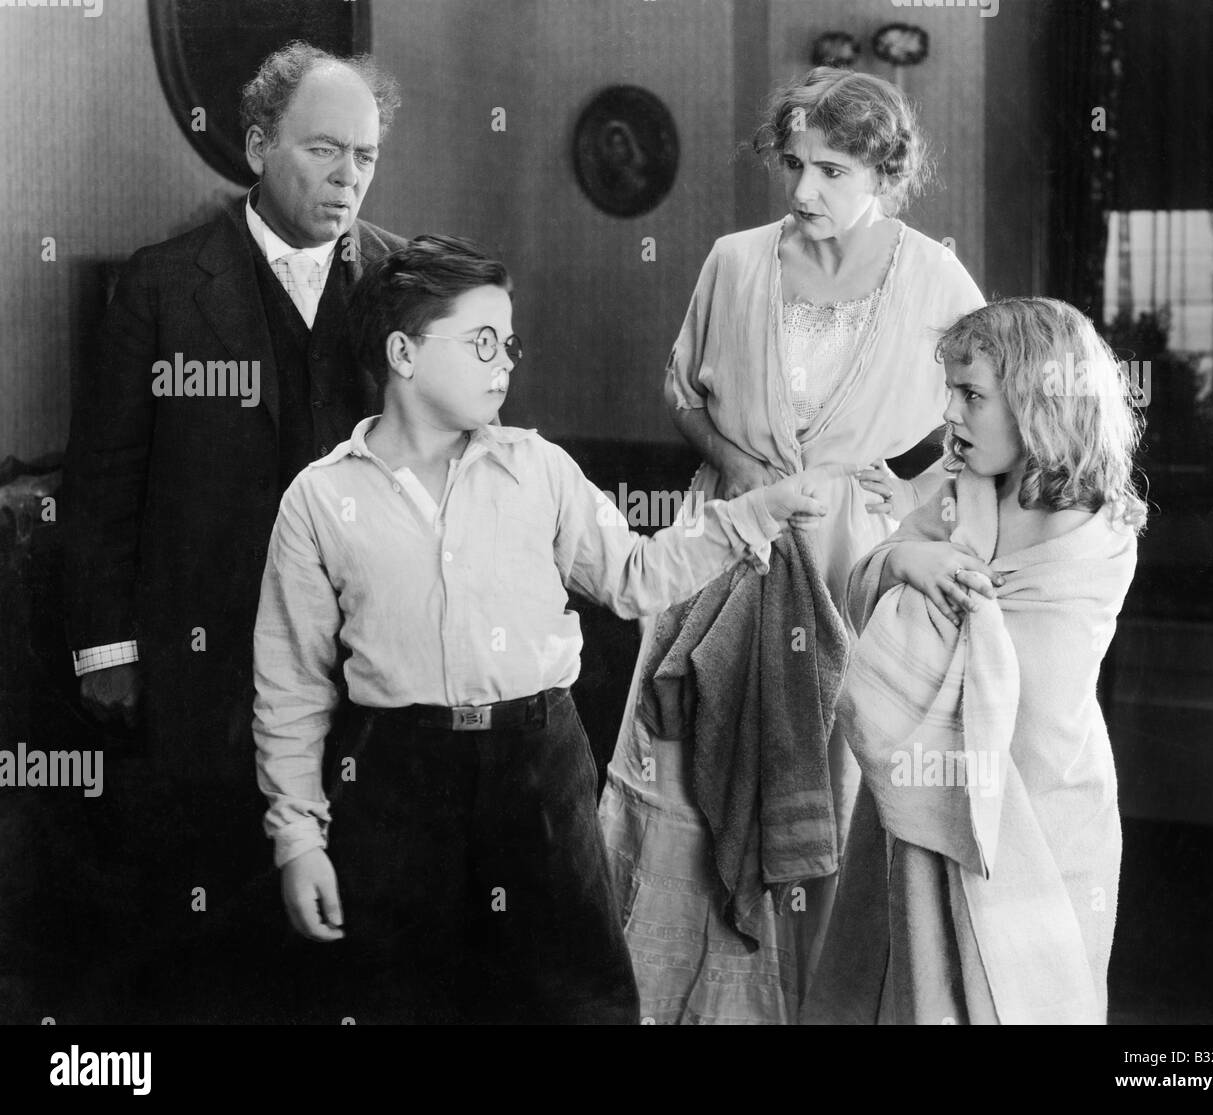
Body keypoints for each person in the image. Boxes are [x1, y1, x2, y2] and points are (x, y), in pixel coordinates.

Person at [252, 235, 851, 1024]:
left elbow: (636, 576)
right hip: (394, 775)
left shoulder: (538, 469)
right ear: (402, 352)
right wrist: (298, 840)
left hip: (539, 764)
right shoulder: (319, 500)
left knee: (579, 1004)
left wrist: (756, 515)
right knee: (401, 999)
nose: (506, 360)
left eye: (511, 342)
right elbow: (290, 684)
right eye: (482, 342)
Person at [598, 67, 984, 1023]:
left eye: (835, 171)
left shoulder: (934, 277)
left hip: (852, 566)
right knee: (685, 778)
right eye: (797, 164)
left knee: (830, 807)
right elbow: (682, 389)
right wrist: (737, 466)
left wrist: (919, 489)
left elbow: (998, 399)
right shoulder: (735, 259)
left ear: (886, 175)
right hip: (722, 544)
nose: (805, 190)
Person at [59, 41, 404, 1020]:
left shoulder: (403, 283)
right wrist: (108, 651)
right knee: (205, 931)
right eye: (322, 151)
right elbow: (103, 484)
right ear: (257, 146)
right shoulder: (164, 285)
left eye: (366, 156)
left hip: (361, 666)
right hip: (203, 659)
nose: (348, 179)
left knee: (345, 923)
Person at [805, 298, 1145, 1024]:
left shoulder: (1097, 537)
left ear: (1038, 401)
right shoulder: (960, 500)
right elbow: (864, 581)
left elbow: (1037, 682)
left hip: (1049, 808)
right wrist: (910, 557)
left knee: (1031, 995)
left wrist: (962, 605)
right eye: (949, 392)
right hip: (930, 803)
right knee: (921, 991)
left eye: (971, 394)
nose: (951, 415)